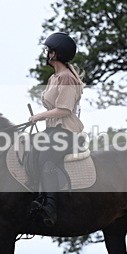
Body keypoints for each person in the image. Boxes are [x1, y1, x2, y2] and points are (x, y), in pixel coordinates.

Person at [28, 32, 85, 227]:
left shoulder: (67, 78)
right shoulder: (55, 77)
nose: (46, 53)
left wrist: (37, 117)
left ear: (55, 54)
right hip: (54, 131)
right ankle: (37, 196)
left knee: (46, 157)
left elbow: (64, 110)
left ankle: (50, 206)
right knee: (30, 149)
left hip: (67, 132)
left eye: (48, 50)